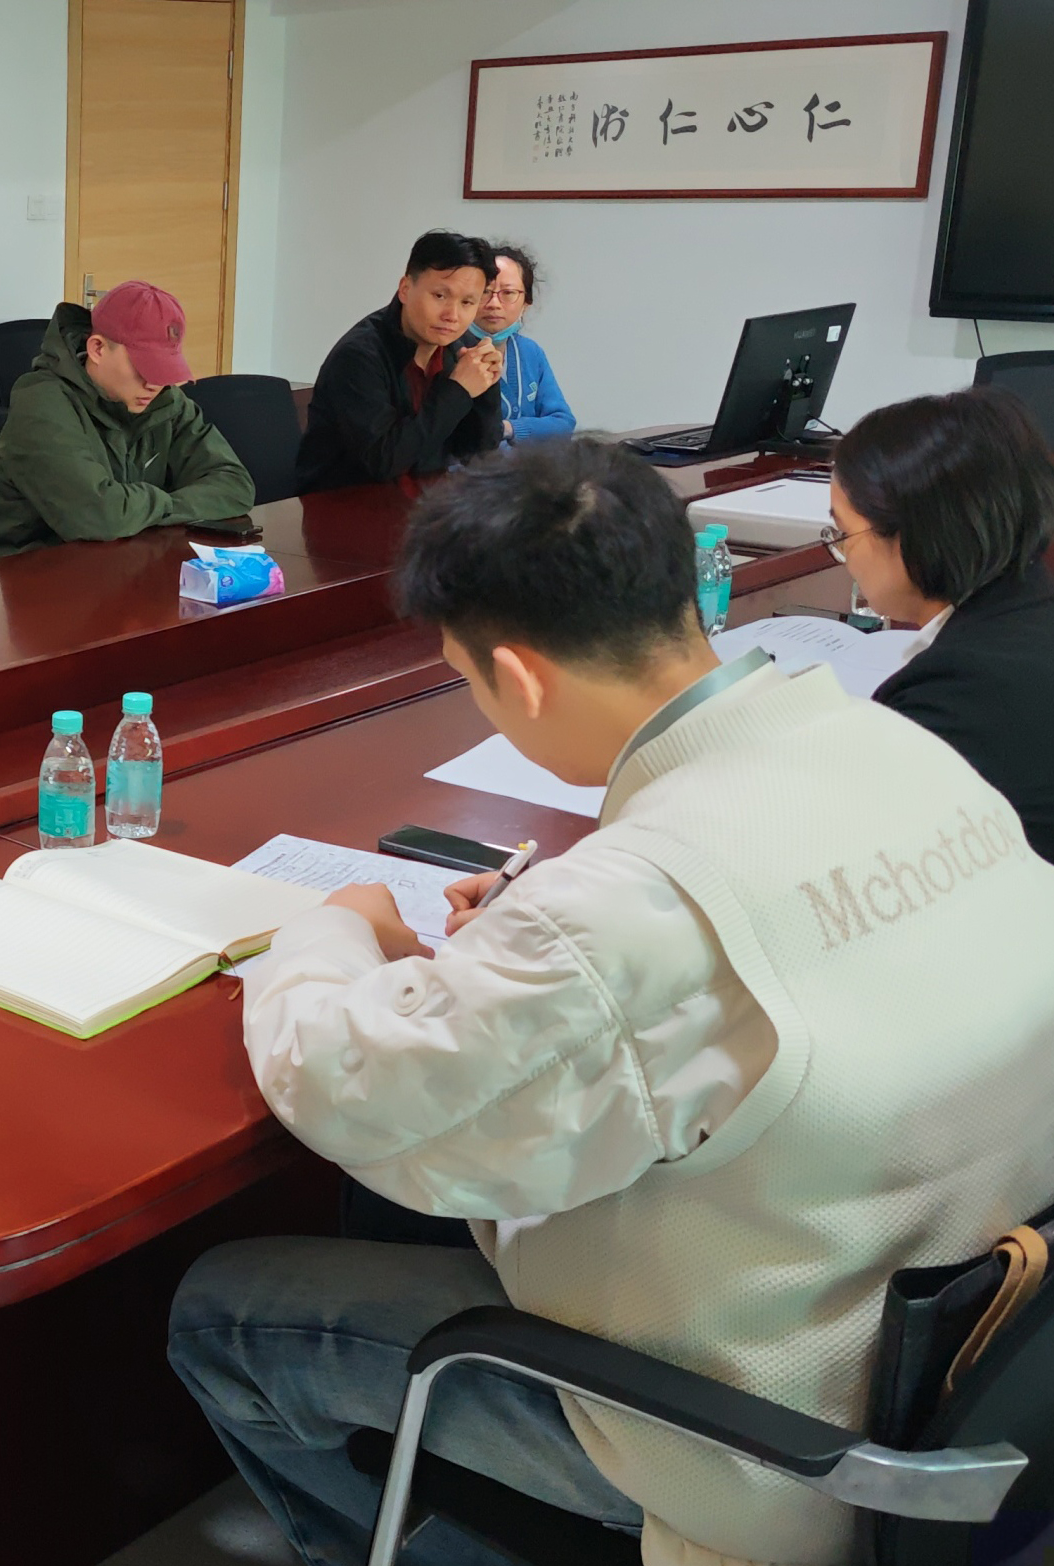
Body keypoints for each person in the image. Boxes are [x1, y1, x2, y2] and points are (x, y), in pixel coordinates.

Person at [169, 438, 1054, 1566]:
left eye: (469, 679)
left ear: (521, 676)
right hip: (953, 1357)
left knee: (223, 1311)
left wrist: (334, 928)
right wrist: (540, 932)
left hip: (757, 1440)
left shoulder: (627, 907)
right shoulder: (889, 745)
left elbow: (352, 1089)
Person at [827, 386, 1054, 860]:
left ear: (914, 536)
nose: (842, 553)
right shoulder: (1031, 608)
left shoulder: (951, 694)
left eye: (844, 533)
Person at [0, 280, 254, 562]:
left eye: (164, 370)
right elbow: (98, 516)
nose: (154, 384)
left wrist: (145, 509)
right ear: (97, 348)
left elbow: (235, 485)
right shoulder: (41, 401)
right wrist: (166, 505)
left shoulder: (166, 401)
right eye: (145, 367)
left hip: (110, 559)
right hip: (11, 571)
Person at [294, 231, 504, 495]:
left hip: (424, 506)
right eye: (440, 296)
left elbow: (479, 453)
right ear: (405, 289)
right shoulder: (358, 356)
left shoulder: (461, 348)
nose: (452, 315)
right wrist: (458, 390)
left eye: (467, 302)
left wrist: (486, 386)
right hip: (346, 506)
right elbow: (383, 460)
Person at [474, 243, 574, 444]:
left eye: (508, 293)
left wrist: (508, 429)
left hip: (534, 464)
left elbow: (563, 424)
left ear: (526, 303)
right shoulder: (450, 355)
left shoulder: (530, 352)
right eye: (484, 292)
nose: (494, 304)